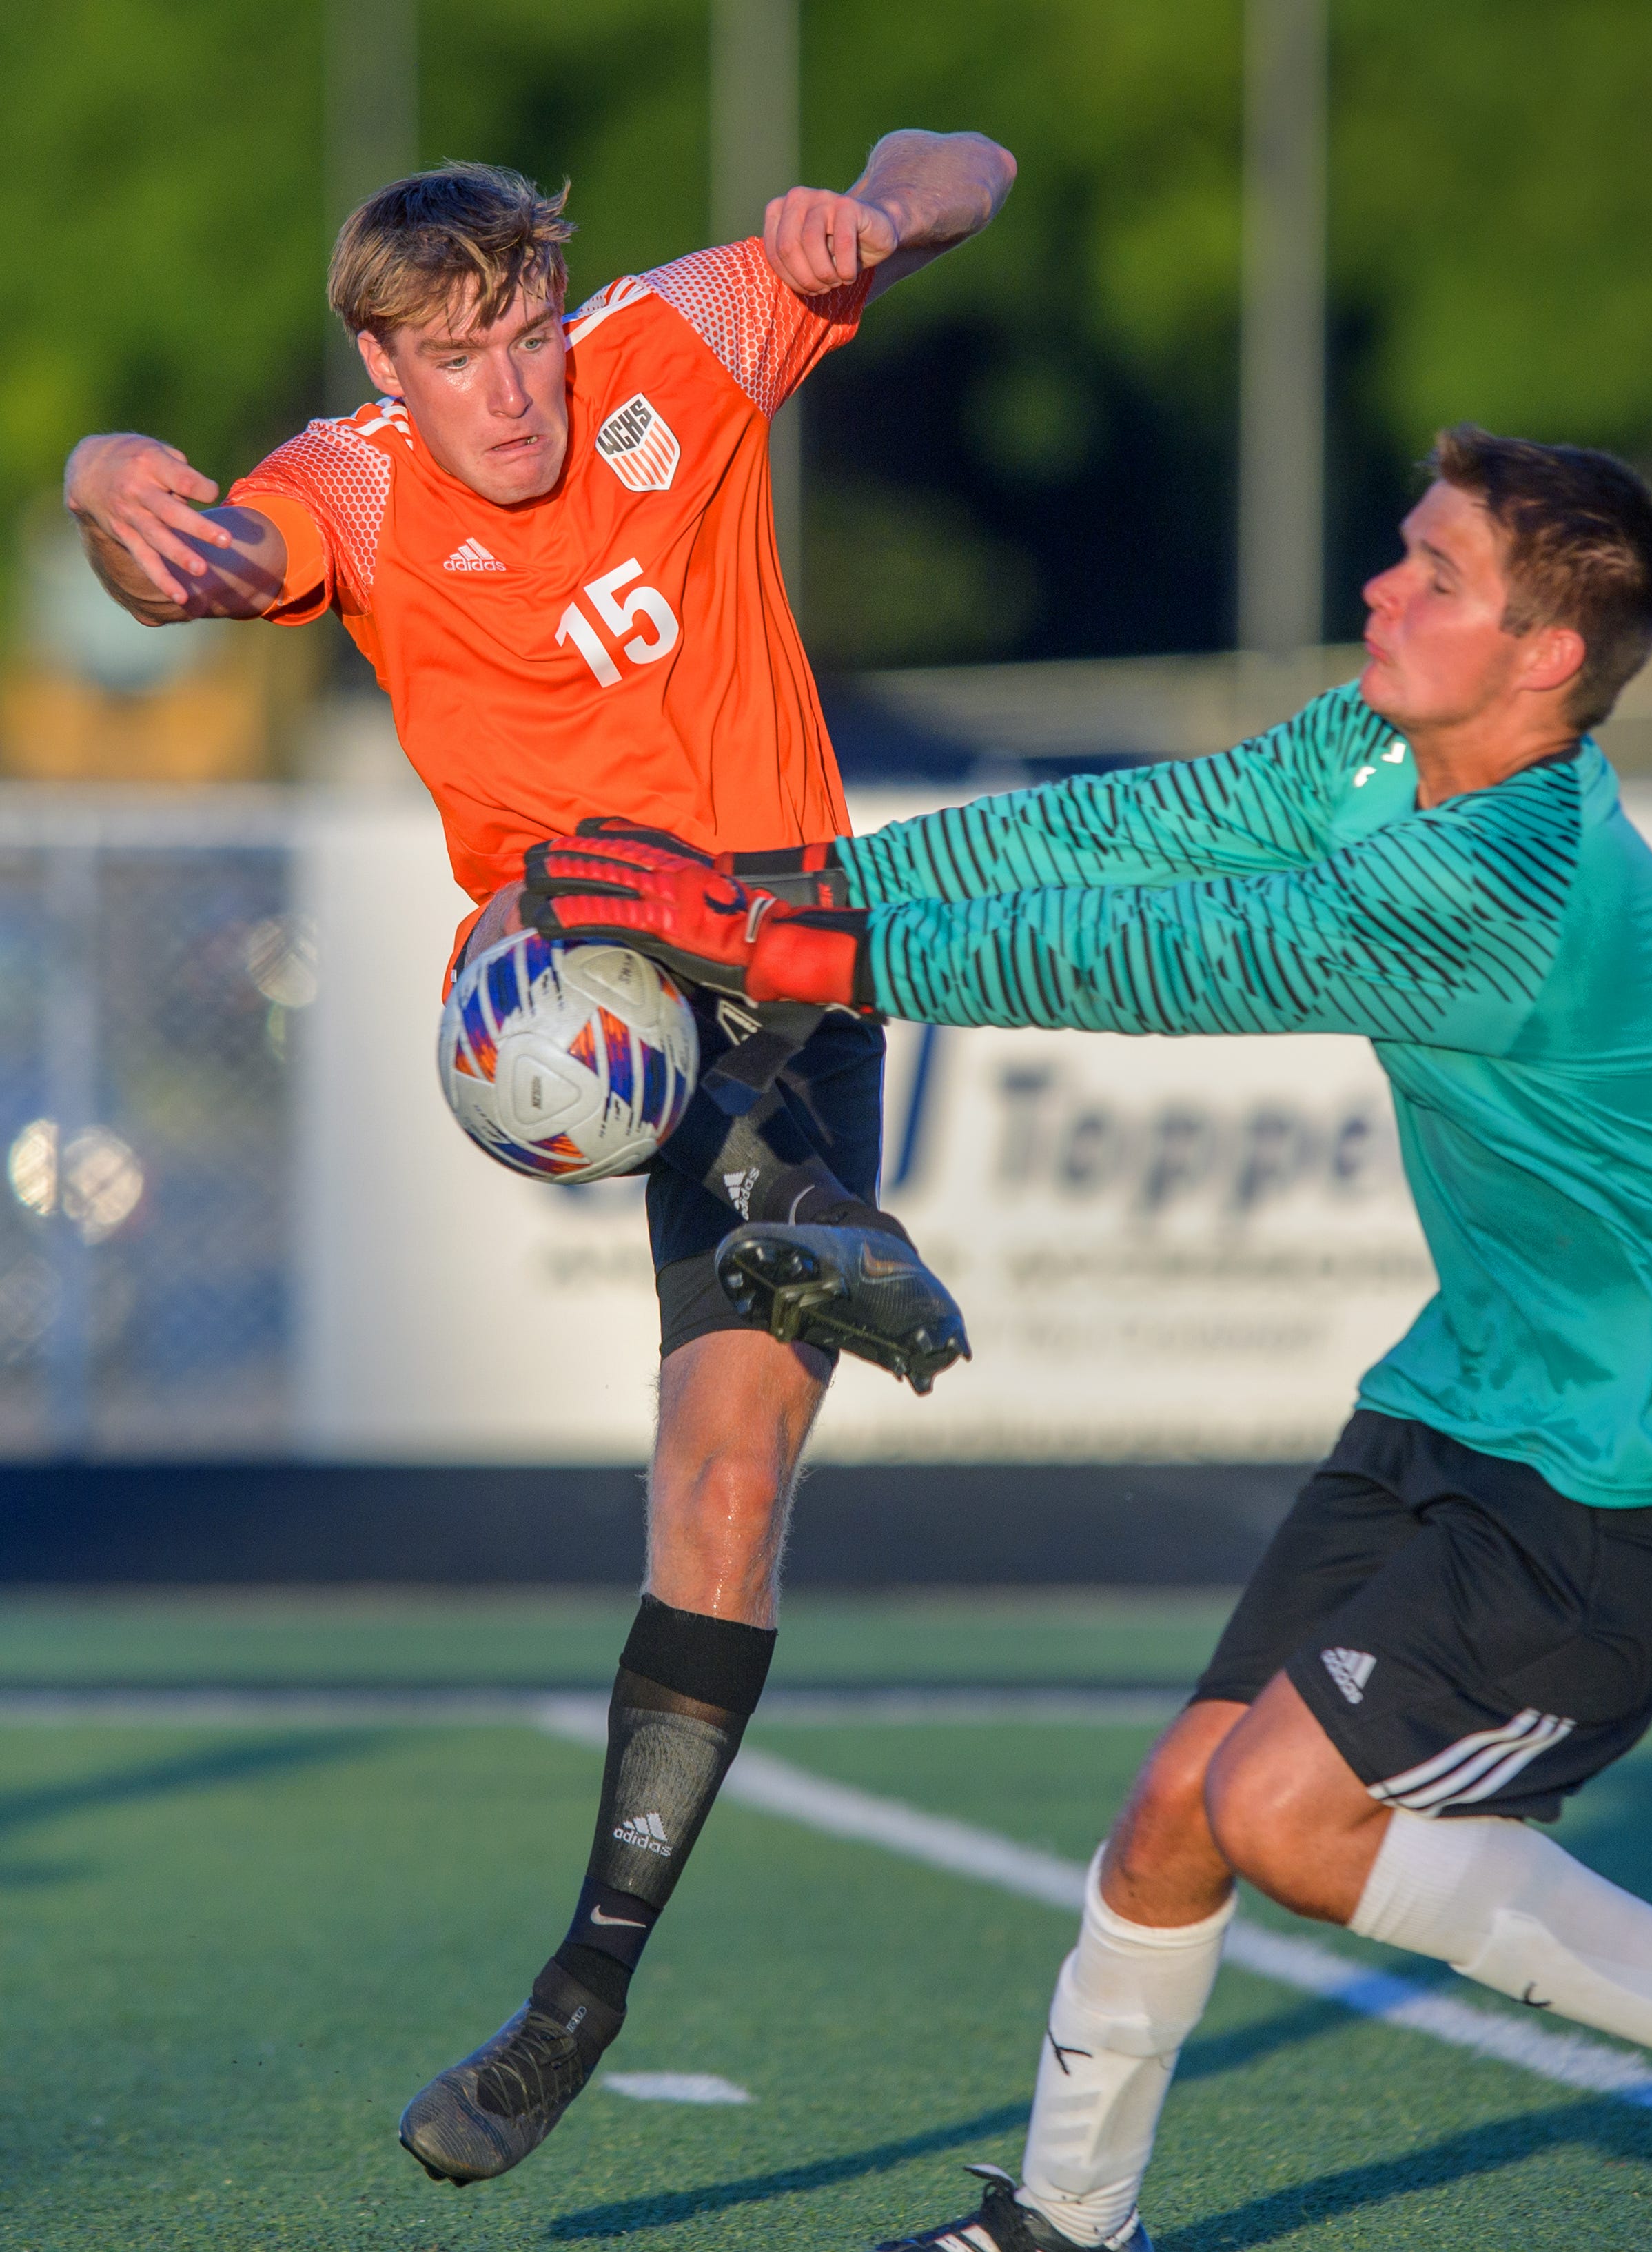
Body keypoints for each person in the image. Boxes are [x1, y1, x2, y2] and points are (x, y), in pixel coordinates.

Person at [523, 428, 1652, 2252]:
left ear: (1542, 659)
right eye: (1404, 552)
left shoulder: (1511, 888)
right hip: (1478, 1386)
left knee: (1284, 1813)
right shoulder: (1378, 750)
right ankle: (1064, 2223)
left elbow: (1170, 955)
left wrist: (805, 955)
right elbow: (1120, 832)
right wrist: (804, 899)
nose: (1383, 585)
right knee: (1177, 1813)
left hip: (1650, 1457)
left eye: (1435, 576)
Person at [62, 131, 1012, 2184]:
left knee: (726, 1496)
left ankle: (576, 1992)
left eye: (523, 334)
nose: (512, 389)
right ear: (382, 372)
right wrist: (98, 478)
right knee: (585, 922)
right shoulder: (353, 488)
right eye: (457, 355)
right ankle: (787, 1197)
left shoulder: (681, 335)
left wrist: (887, 200)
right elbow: (180, 554)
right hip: (569, 971)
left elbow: (972, 159)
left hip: (799, 982)